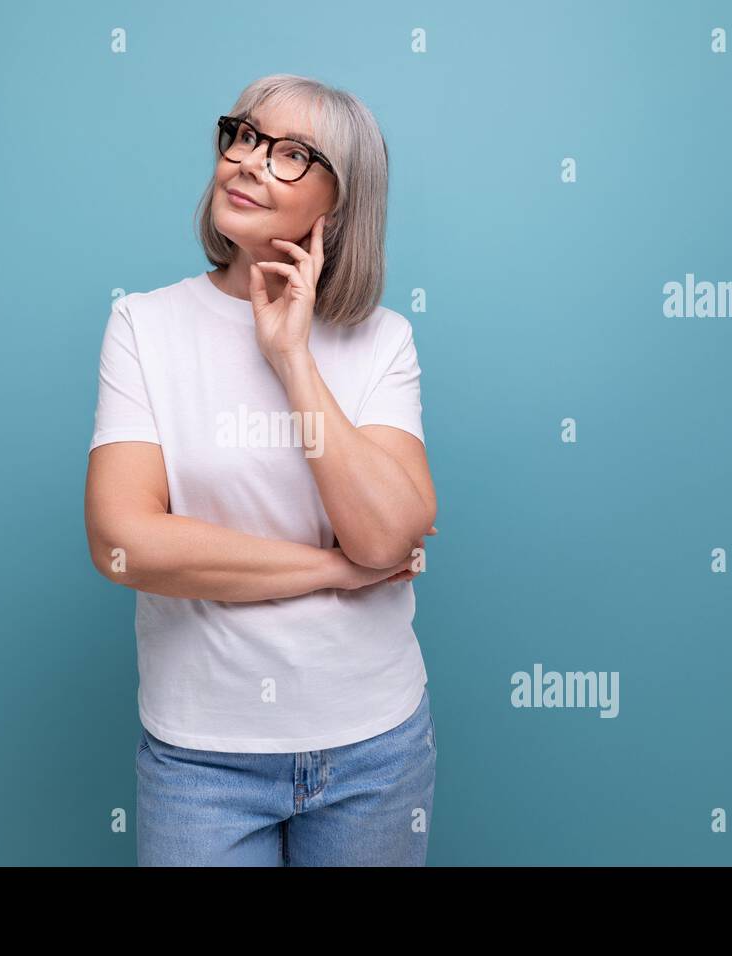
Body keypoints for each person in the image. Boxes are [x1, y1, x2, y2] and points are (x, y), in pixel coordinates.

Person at [84, 73, 439, 866]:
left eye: (289, 154)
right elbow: (124, 546)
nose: (247, 161)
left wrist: (290, 358)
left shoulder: (383, 342)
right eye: (243, 136)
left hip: (374, 750)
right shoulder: (144, 326)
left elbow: (385, 536)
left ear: (337, 207)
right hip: (201, 757)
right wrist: (331, 571)